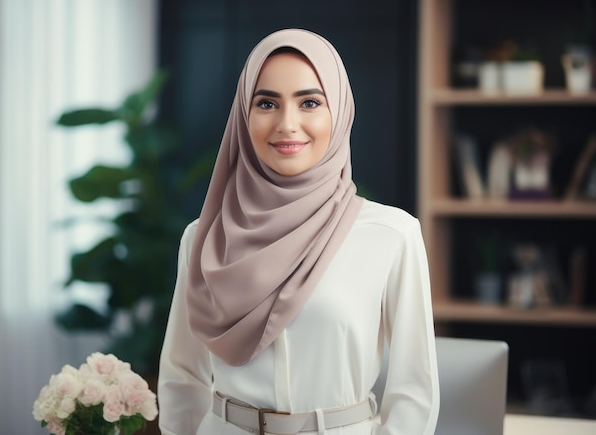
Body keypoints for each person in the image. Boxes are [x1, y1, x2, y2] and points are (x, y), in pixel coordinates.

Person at [158, 28, 439, 435]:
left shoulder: (391, 234)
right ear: (243, 116)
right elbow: (182, 376)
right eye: (267, 103)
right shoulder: (203, 238)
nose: (287, 124)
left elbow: (415, 389)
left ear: (339, 112)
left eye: (310, 102)